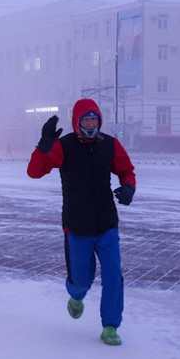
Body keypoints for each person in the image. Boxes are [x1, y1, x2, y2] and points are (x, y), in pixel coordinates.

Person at [27, 98, 136, 346]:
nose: (90, 124)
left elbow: (126, 169)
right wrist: (44, 146)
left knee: (113, 276)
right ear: (77, 122)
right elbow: (34, 172)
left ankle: (110, 326)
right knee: (82, 280)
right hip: (77, 226)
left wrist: (128, 187)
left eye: (94, 119)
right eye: (86, 119)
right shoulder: (63, 146)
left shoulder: (109, 144)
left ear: (99, 120)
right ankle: (75, 295)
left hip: (107, 224)